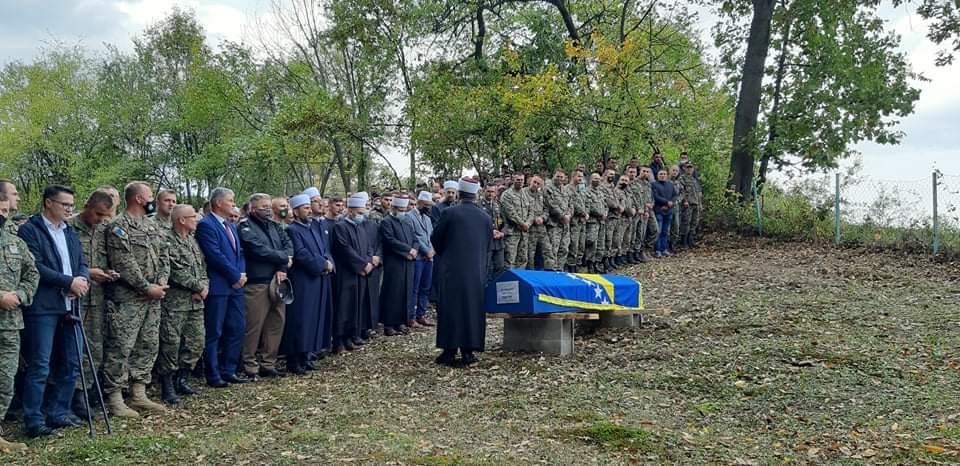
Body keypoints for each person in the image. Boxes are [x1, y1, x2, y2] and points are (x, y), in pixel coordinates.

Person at [17, 185, 90, 437]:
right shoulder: (30, 229)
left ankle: (60, 412)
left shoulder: (70, 231)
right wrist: (66, 281)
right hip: (44, 306)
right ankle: (34, 419)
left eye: (72, 204)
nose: (70, 209)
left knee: (72, 360)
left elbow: (80, 261)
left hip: (71, 303)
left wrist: (81, 279)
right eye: (64, 204)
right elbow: (35, 266)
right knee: (40, 363)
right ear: (49, 203)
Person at [102, 181, 170, 417]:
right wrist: (145, 287)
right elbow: (124, 263)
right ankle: (115, 397)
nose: (152, 199)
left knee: (148, 344)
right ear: (139, 199)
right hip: (128, 299)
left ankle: (139, 393)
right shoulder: (118, 227)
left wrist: (161, 282)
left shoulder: (151, 227)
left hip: (153, 298)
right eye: (150, 195)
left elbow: (163, 256)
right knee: (121, 347)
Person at [431, 177, 492, 367]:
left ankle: (449, 351)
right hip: (476, 271)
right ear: (476, 194)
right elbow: (488, 244)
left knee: (451, 308)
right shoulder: (485, 217)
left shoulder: (450, 213)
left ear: (459, 192)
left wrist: (446, 254)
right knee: (472, 308)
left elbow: (436, 238)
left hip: (452, 269)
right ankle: (469, 351)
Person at [67, 190, 117, 419]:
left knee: (95, 348)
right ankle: (74, 398)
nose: (101, 219)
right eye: (98, 214)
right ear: (87, 205)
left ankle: (88, 392)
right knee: (75, 349)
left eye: (105, 216)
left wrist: (107, 272)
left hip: (97, 297)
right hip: (73, 298)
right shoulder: (68, 227)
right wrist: (89, 272)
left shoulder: (103, 229)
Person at [195, 187, 248, 388]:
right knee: (215, 330)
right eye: (231, 201)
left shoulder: (231, 225)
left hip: (236, 286)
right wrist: (234, 275)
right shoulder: (206, 225)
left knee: (237, 327)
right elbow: (214, 255)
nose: (234, 204)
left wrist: (241, 275)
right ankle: (213, 373)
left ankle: (229, 369)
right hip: (219, 286)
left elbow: (239, 253)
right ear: (218, 203)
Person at [238, 193, 294, 380]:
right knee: (254, 326)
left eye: (269, 206)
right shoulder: (245, 226)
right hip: (257, 283)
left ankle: (268, 363)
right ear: (253, 209)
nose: (268, 210)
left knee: (276, 322)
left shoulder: (276, 226)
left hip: (277, 280)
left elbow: (288, 246)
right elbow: (257, 250)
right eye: (263, 207)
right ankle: (249, 365)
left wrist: (281, 266)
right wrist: (283, 258)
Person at [158, 205, 207, 404]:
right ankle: (167, 385)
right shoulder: (166, 240)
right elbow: (174, 270)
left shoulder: (193, 241)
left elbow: (202, 266)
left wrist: (204, 286)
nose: (196, 220)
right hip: (175, 303)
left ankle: (183, 378)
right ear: (182, 220)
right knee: (171, 343)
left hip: (195, 302)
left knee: (196, 342)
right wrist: (198, 286)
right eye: (193, 217)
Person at [0, 198, 39, 452]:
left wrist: (21, 295)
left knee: (4, 378)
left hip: (9, 323)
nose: (5, 213)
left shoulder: (14, 240)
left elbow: (31, 272)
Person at [282, 194, 333, 374]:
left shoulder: (313, 227)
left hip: (318, 278)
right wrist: (321, 265)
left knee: (313, 318)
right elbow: (301, 254)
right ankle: (294, 359)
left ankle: (306, 355)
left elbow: (323, 250)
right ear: (295, 211)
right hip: (303, 280)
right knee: (301, 319)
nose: (309, 210)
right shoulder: (292, 230)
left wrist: (328, 263)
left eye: (308, 207)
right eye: (305, 208)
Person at [330, 193, 374, 353]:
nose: (362, 216)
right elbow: (344, 250)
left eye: (363, 213)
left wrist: (368, 263)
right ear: (350, 210)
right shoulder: (340, 227)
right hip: (346, 273)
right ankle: (339, 339)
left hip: (361, 273)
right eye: (359, 213)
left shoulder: (361, 227)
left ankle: (351, 335)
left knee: (356, 305)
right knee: (344, 306)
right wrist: (362, 265)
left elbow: (369, 247)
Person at [379, 195, 418, 336]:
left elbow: (415, 239)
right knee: (393, 293)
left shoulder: (407, 222)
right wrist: (407, 251)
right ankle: (389, 324)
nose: (402, 212)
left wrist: (414, 250)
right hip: (394, 263)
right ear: (393, 208)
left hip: (408, 262)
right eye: (400, 209)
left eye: (404, 209)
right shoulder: (386, 222)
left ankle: (401, 321)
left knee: (405, 292)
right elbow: (390, 240)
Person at [403, 191, 436, 326]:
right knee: (414, 288)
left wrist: (432, 250)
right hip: (418, 258)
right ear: (420, 203)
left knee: (425, 287)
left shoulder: (427, 219)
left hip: (429, 258)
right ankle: (411, 316)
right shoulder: (408, 217)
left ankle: (421, 314)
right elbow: (413, 237)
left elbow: (430, 236)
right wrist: (426, 250)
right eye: (427, 205)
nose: (429, 208)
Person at [500, 173, 531, 270]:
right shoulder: (507, 194)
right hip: (512, 232)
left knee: (523, 259)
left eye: (522, 180)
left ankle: (520, 281)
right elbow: (511, 213)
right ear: (513, 180)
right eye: (518, 180)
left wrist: (528, 224)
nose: (520, 182)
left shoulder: (526, 193)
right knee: (510, 259)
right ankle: (509, 283)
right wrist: (522, 224)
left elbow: (532, 210)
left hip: (524, 232)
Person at [545, 170, 571, 273]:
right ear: (553, 176)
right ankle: (551, 272)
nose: (559, 179)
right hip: (554, 224)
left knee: (564, 249)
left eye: (562, 177)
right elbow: (551, 204)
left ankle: (560, 270)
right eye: (558, 176)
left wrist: (569, 215)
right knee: (552, 250)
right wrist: (562, 215)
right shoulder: (548, 189)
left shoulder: (565, 190)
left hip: (565, 225)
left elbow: (571, 204)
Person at [479, 185, 505, 281]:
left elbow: (505, 223)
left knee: (500, 267)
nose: (490, 194)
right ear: (484, 191)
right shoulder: (478, 205)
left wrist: (502, 233)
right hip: (486, 242)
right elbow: (477, 224)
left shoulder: (498, 205)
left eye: (492, 192)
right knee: (486, 268)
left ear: (496, 193)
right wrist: (490, 232)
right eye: (488, 191)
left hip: (498, 242)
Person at [564, 170, 587, 272]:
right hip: (573, 221)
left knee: (581, 245)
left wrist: (586, 213)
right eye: (578, 176)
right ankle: (571, 265)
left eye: (581, 177)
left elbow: (585, 202)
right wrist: (583, 213)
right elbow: (573, 204)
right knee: (573, 244)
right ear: (573, 176)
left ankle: (578, 263)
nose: (580, 178)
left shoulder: (581, 189)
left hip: (582, 221)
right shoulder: (567, 189)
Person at [652, 170, 678, 257]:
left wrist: (671, 203)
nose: (662, 175)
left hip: (669, 211)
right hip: (659, 210)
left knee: (665, 231)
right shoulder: (654, 184)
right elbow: (655, 196)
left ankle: (664, 249)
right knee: (658, 231)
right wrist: (667, 202)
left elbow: (675, 195)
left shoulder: (670, 184)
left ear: (667, 175)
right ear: (657, 175)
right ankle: (657, 250)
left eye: (664, 174)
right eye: (660, 174)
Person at [585, 173, 607, 273]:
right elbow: (589, 206)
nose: (597, 180)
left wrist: (605, 213)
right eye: (595, 178)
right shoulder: (586, 191)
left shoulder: (601, 192)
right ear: (590, 179)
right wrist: (600, 214)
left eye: (598, 179)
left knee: (600, 243)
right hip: (592, 222)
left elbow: (605, 205)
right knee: (592, 242)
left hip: (601, 221)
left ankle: (597, 263)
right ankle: (590, 263)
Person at [678, 162, 703, 248]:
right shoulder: (682, 178)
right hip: (688, 204)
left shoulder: (694, 180)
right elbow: (681, 191)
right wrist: (685, 200)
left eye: (691, 168)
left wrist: (700, 204)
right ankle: (684, 242)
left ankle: (691, 241)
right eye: (687, 168)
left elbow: (699, 193)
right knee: (686, 223)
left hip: (696, 204)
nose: (689, 169)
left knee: (694, 223)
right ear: (684, 168)